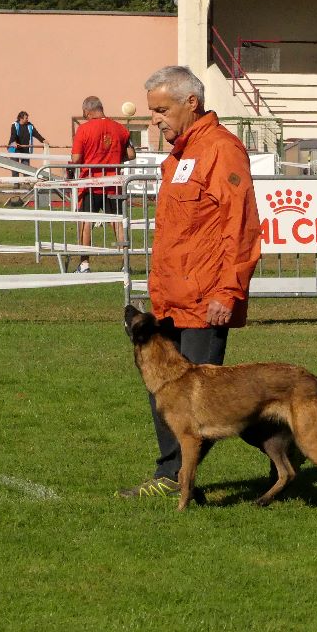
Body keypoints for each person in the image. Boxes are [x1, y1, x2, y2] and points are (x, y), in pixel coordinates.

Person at [118, 65, 262, 500]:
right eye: (151, 112)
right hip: (169, 298)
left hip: (205, 299)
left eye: (161, 110)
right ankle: (173, 476)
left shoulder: (222, 150)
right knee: (161, 387)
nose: (154, 120)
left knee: (201, 400)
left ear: (191, 103)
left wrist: (227, 291)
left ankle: (176, 480)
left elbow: (241, 225)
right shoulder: (178, 158)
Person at [70, 97, 135, 273]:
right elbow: (131, 154)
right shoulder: (121, 129)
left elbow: (76, 159)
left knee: (85, 224)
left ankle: (84, 265)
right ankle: (125, 264)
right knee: (118, 224)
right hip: (113, 184)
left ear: (86, 111)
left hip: (91, 184)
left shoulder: (83, 129)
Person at [7, 110, 45, 175]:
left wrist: (43, 140)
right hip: (15, 149)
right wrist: (13, 142)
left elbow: (36, 134)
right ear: (21, 118)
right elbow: (13, 135)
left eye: (27, 118)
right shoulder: (14, 125)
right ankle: (16, 184)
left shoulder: (30, 126)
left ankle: (26, 183)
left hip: (25, 149)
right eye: (26, 118)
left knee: (26, 168)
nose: (27, 119)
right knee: (15, 168)